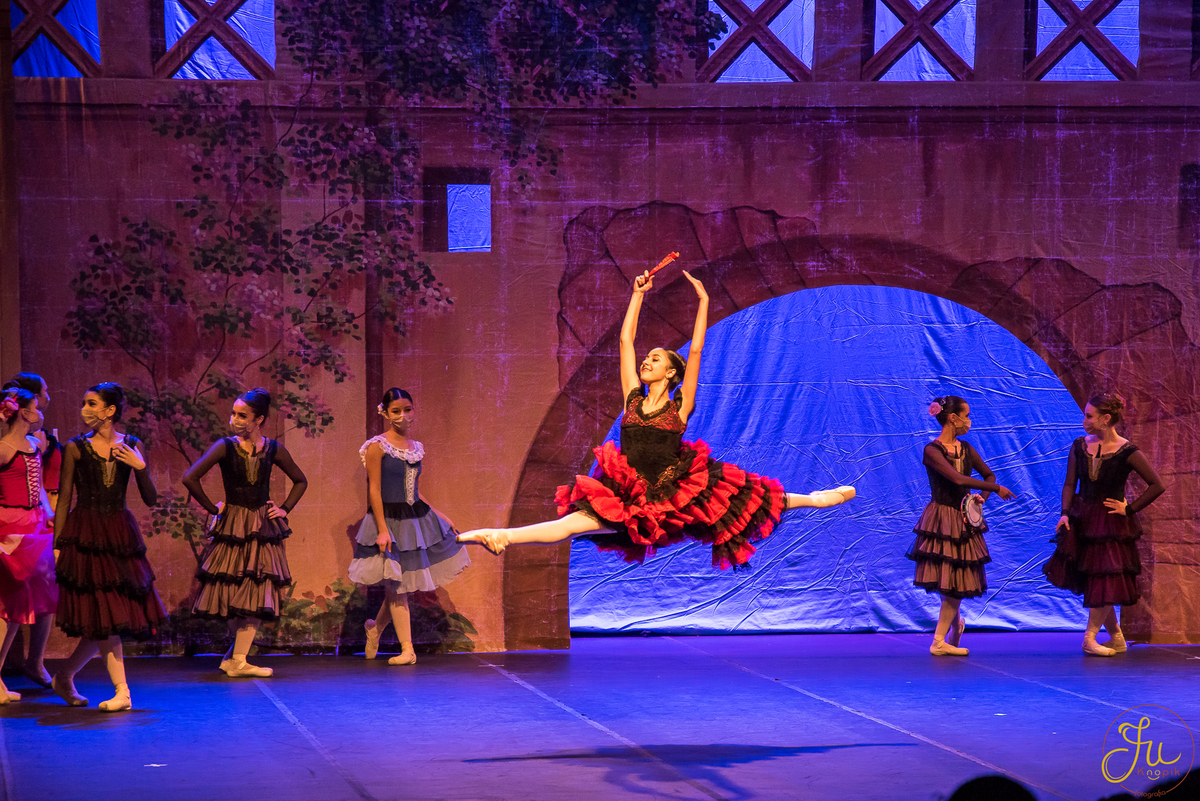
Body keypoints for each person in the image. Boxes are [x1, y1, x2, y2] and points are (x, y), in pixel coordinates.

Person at [458, 267, 854, 567]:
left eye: (655, 359)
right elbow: (624, 341)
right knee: (571, 525)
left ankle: (813, 500)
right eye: (646, 358)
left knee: (744, 498)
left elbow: (695, 351)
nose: (646, 361)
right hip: (627, 494)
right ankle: (502, 536)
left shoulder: (680, 406)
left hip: (673, 490)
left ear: (671, 373)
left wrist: (703, 302)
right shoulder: (632, 398)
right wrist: (637, 295)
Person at [52, 383, 165, 711]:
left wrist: (140, 467)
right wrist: (59, 546)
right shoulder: (76, 447)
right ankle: (122, 692)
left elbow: (151, 499)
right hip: (87, 534)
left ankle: (65, 676)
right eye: (84, 403)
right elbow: (64, 500)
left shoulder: (132, 444)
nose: (85, 409)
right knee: (104, 615)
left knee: (106, 616)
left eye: (92, 403)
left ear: (110, 410)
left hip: (118, 534)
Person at [183, 388, 307, 677]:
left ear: (258, 419)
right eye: (234, 414)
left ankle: (236, 659)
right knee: (230, 590)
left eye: (242, 415)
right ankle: (236, 658)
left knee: (258, 588)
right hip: (234, 526)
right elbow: (190, 477)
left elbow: (300, 480)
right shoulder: (225, 446)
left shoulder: (273, 449)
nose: (235, 420)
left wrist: (285, 509)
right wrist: (213, 510)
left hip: (262, 526)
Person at [348, 389, 470, 665]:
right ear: (385, 412)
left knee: (399, 584)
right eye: (396, 411)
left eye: (407, 409)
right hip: (389, 519)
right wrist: (382, 529)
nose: (403, 416)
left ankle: (375, 630)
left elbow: (415, 490)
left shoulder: (416, 448)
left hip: (414, 520)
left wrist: (440, 515)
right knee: (397, 585)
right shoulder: (377, 446)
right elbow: (374, 490)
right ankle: (407, 650)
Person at [1042, 393, 1164, 657]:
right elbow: (1069, 483)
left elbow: (1157, 485)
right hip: (1083, 518)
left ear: (1106, 419)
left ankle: (1089, 638)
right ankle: (1116, 637)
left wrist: (1129, 508)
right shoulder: (1079, 445)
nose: (1084, 420)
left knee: (1105, 577)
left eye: (1089, 416)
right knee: (1096, 579)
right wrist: (1065, 513)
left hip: (1109, 524)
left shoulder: (1126, 450)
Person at [907, 395, 1014, 657]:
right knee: (949, 581)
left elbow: (988, 474)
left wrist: (983, 497)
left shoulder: (966, 448)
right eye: (966, 416)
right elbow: (956, 479)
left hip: (964, 519)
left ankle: (953, 629)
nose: (968, 421)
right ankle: (940, 640)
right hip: (942, 519)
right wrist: (995, 488)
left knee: (955, 580)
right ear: (953, 418)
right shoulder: (932, 450)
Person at [0, 373, 58, 688]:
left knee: (46, 591)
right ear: (24, 412)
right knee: (11, 599)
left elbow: (39, 485)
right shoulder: (4, 448)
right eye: (35, 406)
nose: (40, 411)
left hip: (35, 525)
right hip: (11, 526)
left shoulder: (34, 443)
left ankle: (34, 663)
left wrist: (47, 510)